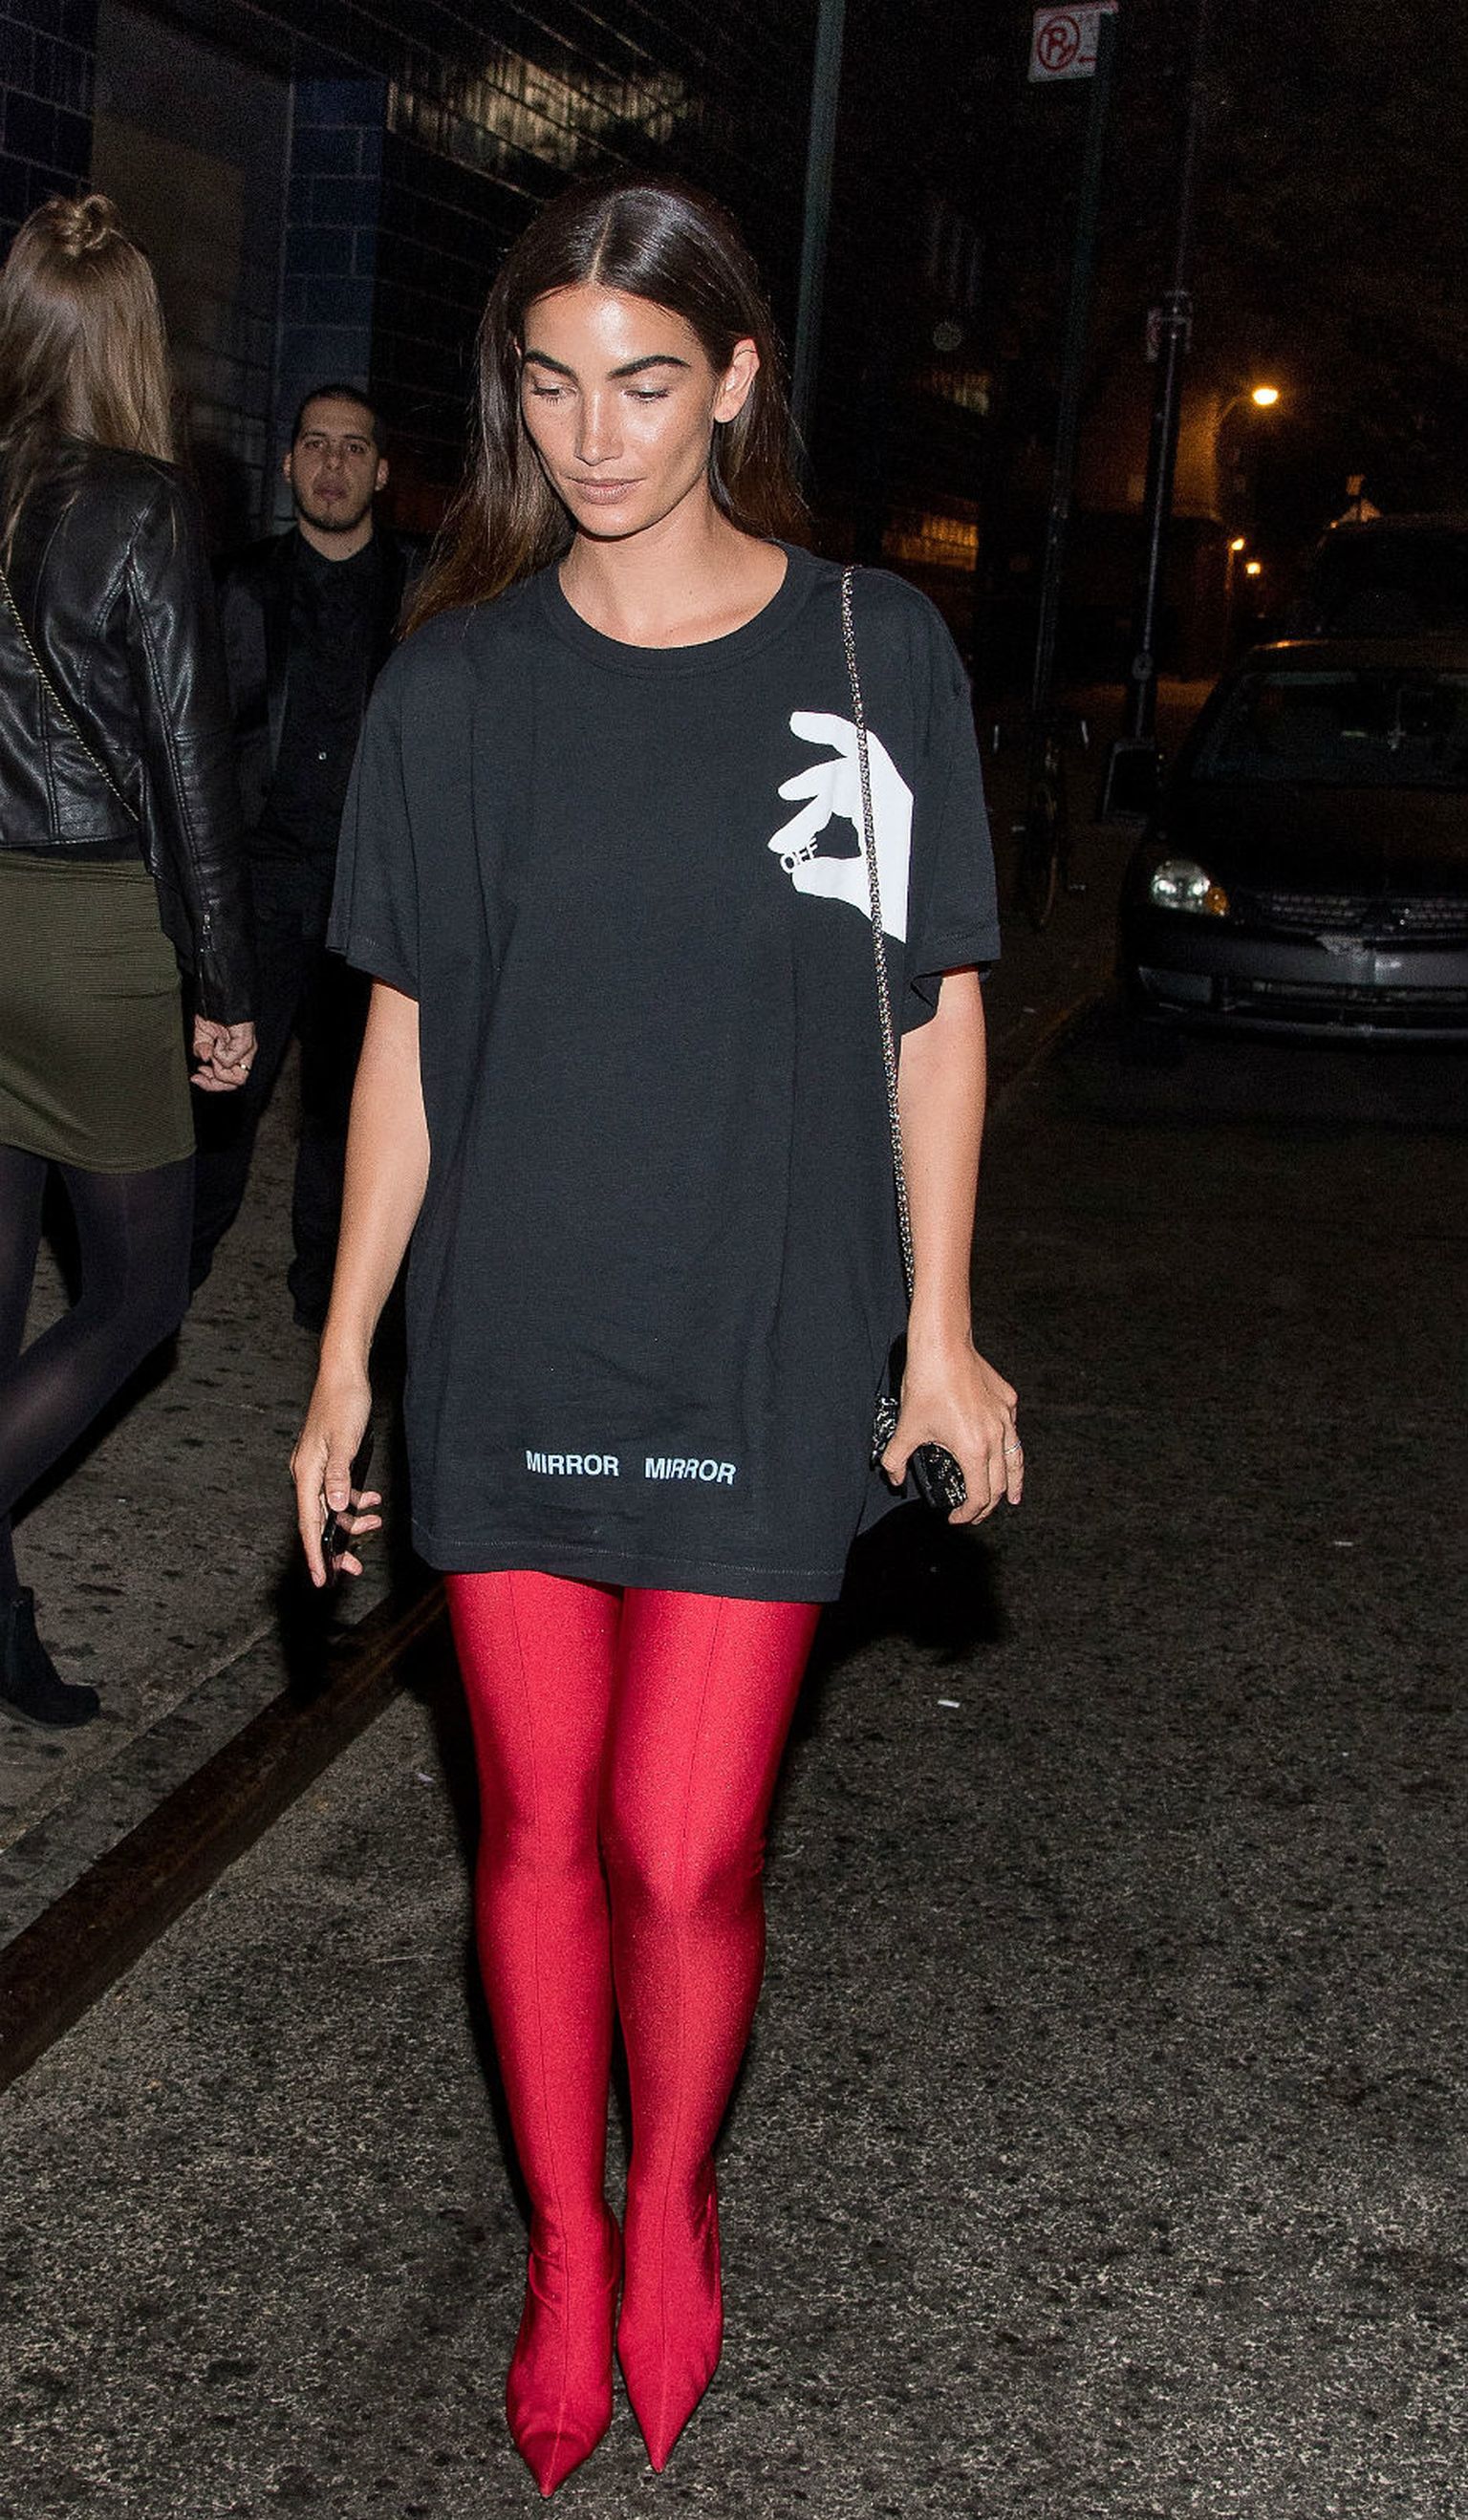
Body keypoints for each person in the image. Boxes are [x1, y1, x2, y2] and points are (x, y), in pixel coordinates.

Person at [291, 174, 1021, 2494]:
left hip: (763, 1322)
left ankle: (675, 2186)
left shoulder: (869, 651)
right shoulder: (455, 684)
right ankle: (565, 2239)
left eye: (643, 383)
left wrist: (942, 1333)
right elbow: (407, 1042)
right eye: (550, 385)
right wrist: (342, 1357)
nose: (594, 436)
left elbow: (932, 1015)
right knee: (533, 1826)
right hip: (516, 1323)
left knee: (681, 1848)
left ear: (733, 384)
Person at [0, 194, 255, 1729]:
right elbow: (189, 769)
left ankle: (0, 1625)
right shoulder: (145, 506)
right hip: (86, 936)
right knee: (138, 1296)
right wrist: (223, 984)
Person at [190, 384, 417, 1329]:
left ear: (382, 471)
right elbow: (197, 740)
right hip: (260, 885)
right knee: (221, 1099)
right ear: (287, 465)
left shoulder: (422, 596)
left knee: (347, 1110)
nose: (333, 464)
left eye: (353, 447)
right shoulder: (235, 588)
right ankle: (166, 1281)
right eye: (316, 444)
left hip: (370, 892)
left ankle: (327, 1308)